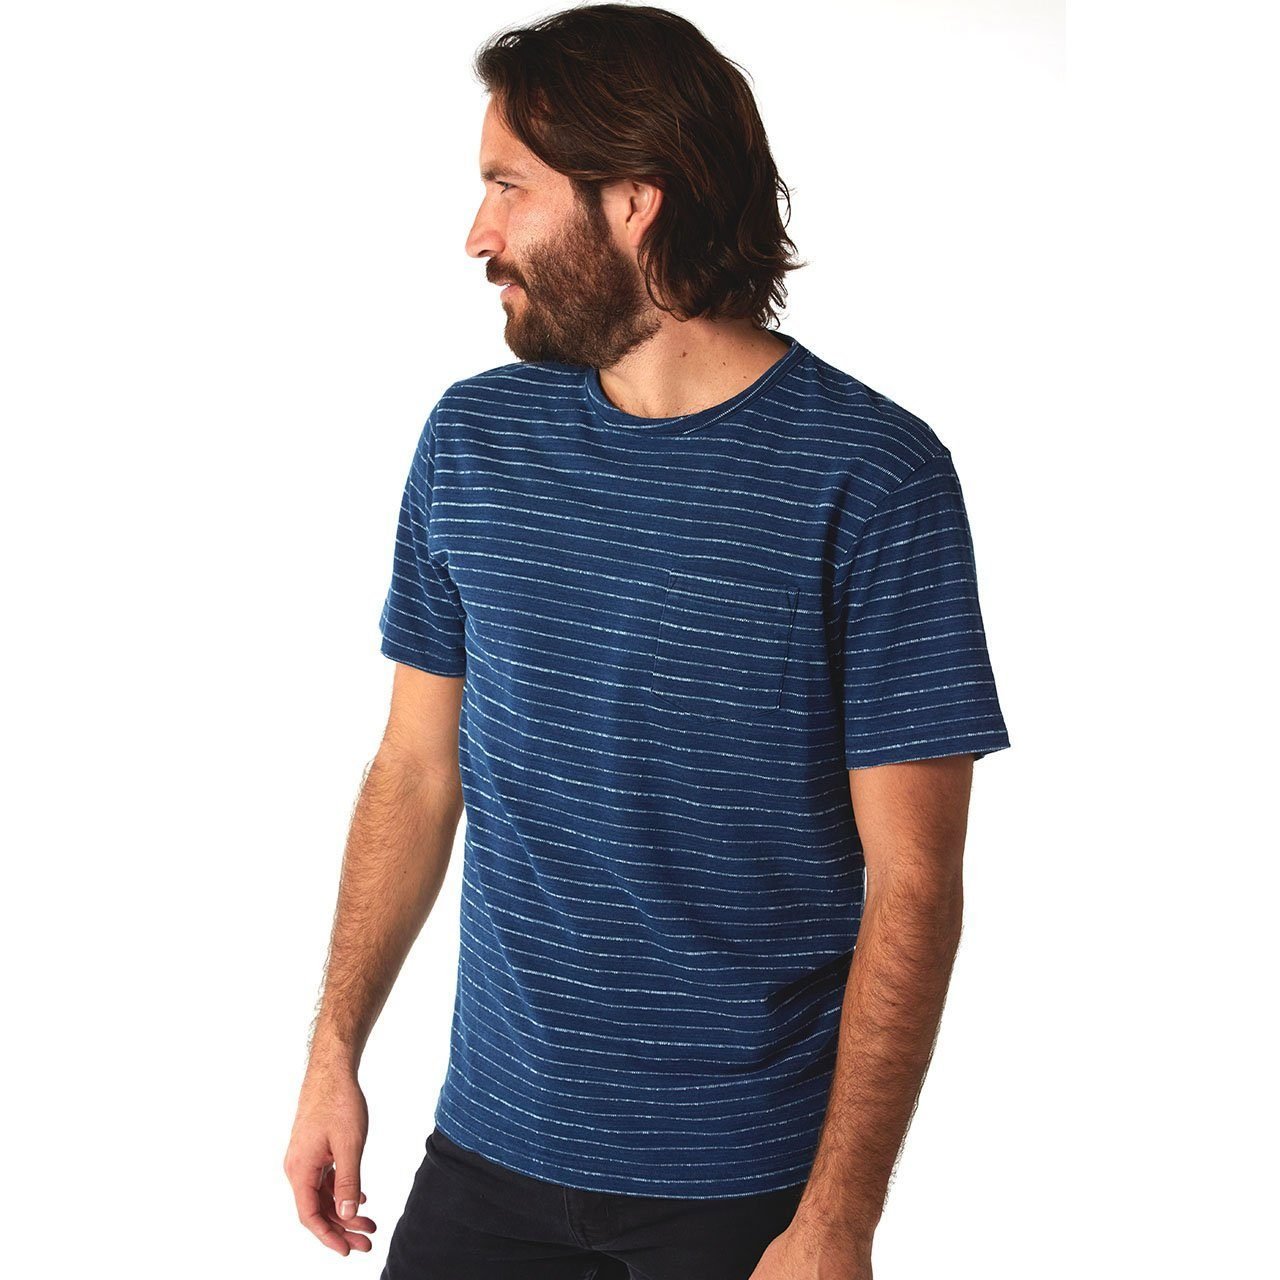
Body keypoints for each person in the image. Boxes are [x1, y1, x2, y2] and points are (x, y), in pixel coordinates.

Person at [283, 6, 1011, 1278]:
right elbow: (414, 768)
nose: (477, 233)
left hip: (742, 1192)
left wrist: (837, 1217)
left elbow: (913, 880)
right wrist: (331, 1052)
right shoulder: (472, 440)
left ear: (631, 201)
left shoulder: (871, 478)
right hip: (485, 1156)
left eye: (508, 186)